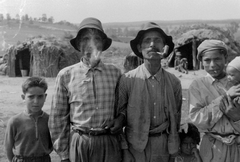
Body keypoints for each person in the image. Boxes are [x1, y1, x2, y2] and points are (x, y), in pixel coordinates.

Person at [48, 17, 123, 162]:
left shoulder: (115, 73)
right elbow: (57, 118)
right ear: (79, 44)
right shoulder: (66, 75)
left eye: (97, 39)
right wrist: (64, 155)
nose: (91, 44)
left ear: (102, 44)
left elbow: (122, 107)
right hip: (80, 142)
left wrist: (120, 118)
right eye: (86, 39)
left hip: (109, 142)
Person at [117, 22, 182, 162]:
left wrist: (172, 151)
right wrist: (125, 151)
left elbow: (176, 119)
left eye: (157, 40)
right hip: (135, 147)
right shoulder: (127, 80)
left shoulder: (174, 82)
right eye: (147, 41)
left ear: (165, 48)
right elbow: (119, 117)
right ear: (140, 48)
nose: (152, 44)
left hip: (164, 146)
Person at [188, 39, 240, 162]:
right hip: (212, 148)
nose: (212, 64)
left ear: (225, 58)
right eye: (207, 60)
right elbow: (198, 119)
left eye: (217, 59)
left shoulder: (237, 82)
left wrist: (237, 118)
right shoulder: (197, 85)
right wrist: (226, 97)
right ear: (201, 62)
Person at [4, 77, 52, 162]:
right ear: (23, 97)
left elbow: (53, 144)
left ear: (45, 97)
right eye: (31, 97)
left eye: (40, 96)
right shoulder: (15, 121)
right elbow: (8, 147)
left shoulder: (49, 120)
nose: (36, 101)